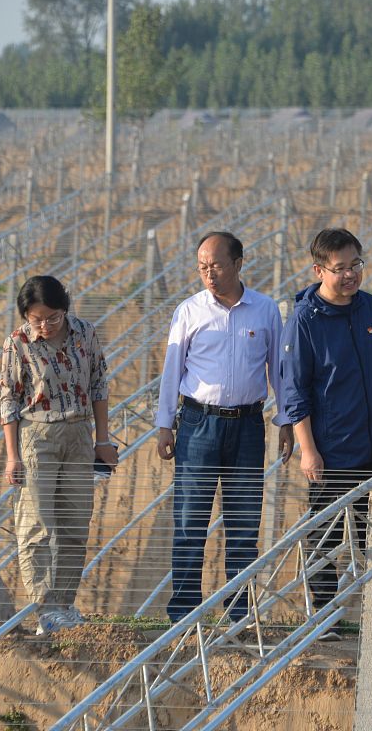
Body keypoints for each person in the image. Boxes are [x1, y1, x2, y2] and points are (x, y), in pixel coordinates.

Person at [279, 228, 372, 648]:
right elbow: (295, 391)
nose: (350, 275)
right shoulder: (306, 321)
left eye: (355, 265)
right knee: (324, 533)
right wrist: (308, 449)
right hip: (331, 450)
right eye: (340, 268)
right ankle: (324, 616)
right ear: (319, 270)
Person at [155, 232, 293, 626]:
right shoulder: (189, 311)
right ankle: (183, 613)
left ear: (238, 263)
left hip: (248, 425)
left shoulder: (265, 310)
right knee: (189, 520)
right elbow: (172, 372)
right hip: (198, 424)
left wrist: (284, 419)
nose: (208, 273)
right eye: (202, 267)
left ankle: (238, 615)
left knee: (244, 523)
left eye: (215, 265)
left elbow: (278, 372)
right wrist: (165, 425)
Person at [0, 275, 116, 636]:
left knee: (74, 524)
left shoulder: (84, 333)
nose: (45, 326)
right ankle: (45, 608)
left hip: (79, 434)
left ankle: (65, 603)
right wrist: (12, 455)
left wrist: (102, 439)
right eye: (37, 320)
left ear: (65, 309)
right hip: (38, 436)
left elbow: (98, 383)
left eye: (52, 317)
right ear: (26, 317)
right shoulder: (17, 343)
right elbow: (9, 399)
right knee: (36, 526)